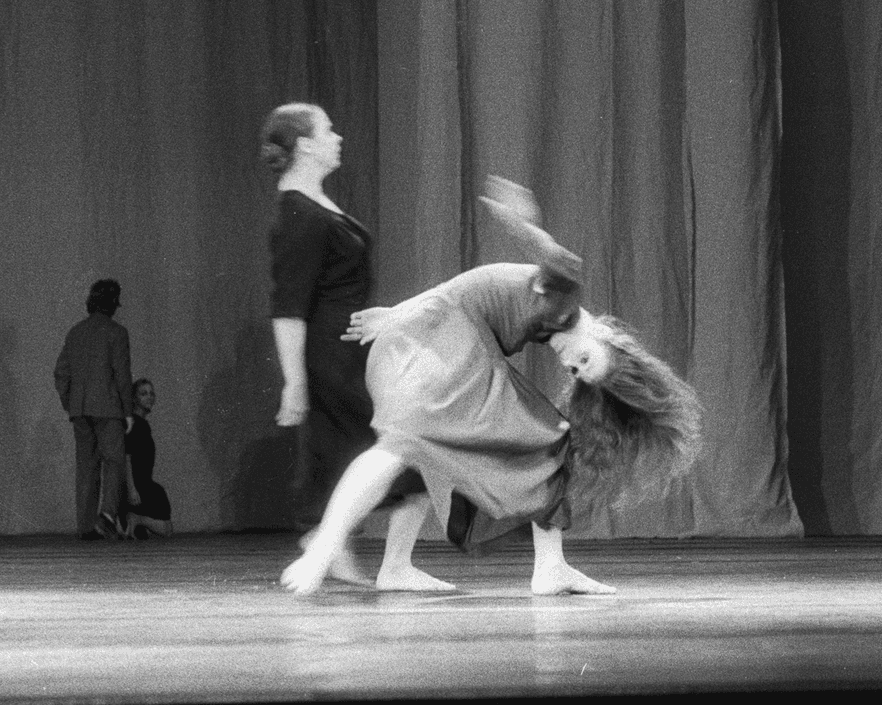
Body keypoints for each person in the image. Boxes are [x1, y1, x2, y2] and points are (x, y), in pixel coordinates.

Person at [281, 177, 701, 596]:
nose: (569, 362)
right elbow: (555, 261)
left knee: (478, 446)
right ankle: (324, 547)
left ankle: (405, 566)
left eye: (576, 372)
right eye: (585, 357)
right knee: (408, 444)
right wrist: (522, 221)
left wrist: (400, 313)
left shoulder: (555, 324)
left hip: (433, 337)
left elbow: (464, 286)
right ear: (607, 337)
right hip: (442, 340)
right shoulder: (564, 301)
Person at [262, 102, 437, 590]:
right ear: (305, 145)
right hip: (333, 357)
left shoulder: (313, 204)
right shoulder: (297, 214)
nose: (338, 136)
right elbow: (288, 306)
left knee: (381, 451)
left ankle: (344, 544)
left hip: (352, 351)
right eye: (328, 129)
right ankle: (351, 549)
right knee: (405, 447)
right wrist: (294, 382)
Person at [54, 278, 135, 541]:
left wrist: (71, 403)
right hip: (109, 409)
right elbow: (122, 375)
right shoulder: (117, 332)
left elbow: (61, 373)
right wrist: (127, 411)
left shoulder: (75, 332)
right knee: (114, 461)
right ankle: (107, 516)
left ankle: (86, 527)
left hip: (80, 410)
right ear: (113, 303)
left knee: (86, 467)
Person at [123, 378, 173, 538]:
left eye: (151, 393)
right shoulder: (136, 425)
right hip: (139, 488)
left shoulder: (140, 424)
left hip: (140, 487)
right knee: (167, 529)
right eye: (143, 394)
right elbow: (126, 457)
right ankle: (137, 519)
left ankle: (136, 522)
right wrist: (132, 490)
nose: (149, 397)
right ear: (134, 398)